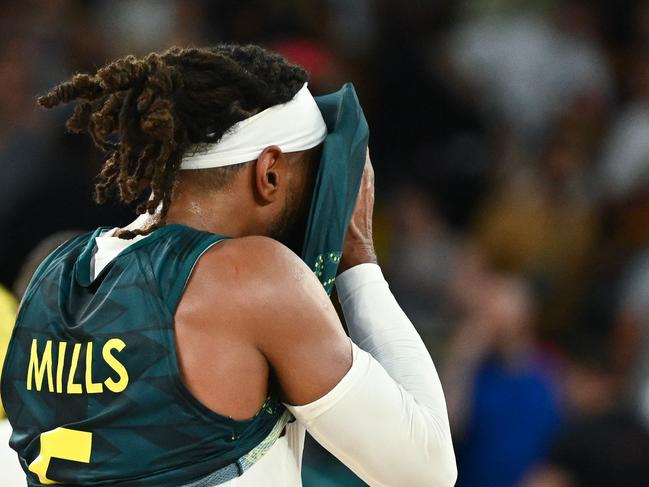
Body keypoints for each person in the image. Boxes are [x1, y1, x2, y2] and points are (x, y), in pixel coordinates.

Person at [1, 45, 456, 486]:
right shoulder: (251, 277)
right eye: (315, 174)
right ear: (270, 172)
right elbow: (429, 472)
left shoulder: (54, 273)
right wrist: (358, 258)